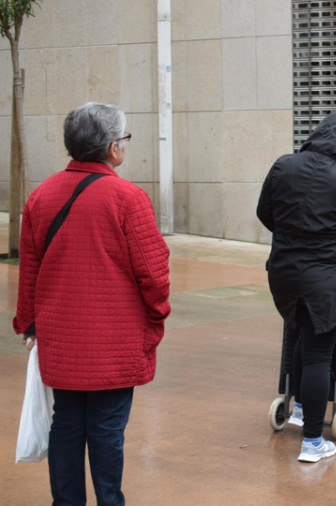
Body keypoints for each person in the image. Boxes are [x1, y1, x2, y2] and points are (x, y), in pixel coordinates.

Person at [13, 102, 171, 505]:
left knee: (65, 423)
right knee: (106, 428)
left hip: (60, 338)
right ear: (113, 148)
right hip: (113, 340)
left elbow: (28, 270)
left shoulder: (40, 197)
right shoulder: (127, 198)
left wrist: (29, 323)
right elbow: (153, 274)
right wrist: (155, 318)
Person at [257, 110, 336, 463]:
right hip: (325, 275)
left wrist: (292, 232)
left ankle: (300, 408)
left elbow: (264, 212)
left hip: (284, 271)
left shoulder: (283, 165)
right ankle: (311, 443)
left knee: (301, 333)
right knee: (319, 354)